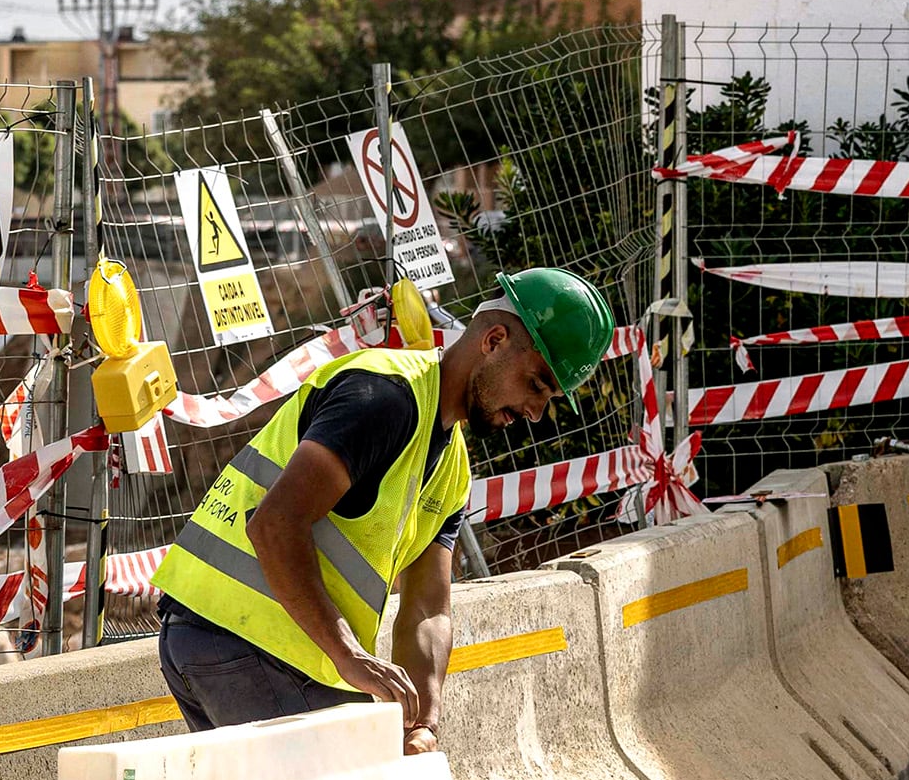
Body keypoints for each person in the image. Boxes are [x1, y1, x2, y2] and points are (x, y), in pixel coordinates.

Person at [150, 268, 612, 745]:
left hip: (253, 647)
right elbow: (275, 523)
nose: (535, 412)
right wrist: (349, 656)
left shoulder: (452, 470)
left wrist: (423, 722)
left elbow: (428, 610)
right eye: (536, 384)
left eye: (549, 397)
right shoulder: (383, 399)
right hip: (246, 642)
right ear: (493, 340)